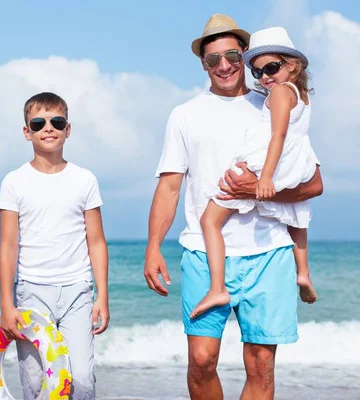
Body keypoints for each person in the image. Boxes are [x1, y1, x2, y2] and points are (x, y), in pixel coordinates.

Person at [143, 14, 323, 400]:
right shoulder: (185, 115)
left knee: (261, 365)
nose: (223, 65)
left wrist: (258, 190)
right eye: (212, 59)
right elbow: (170, 186)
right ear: (202, 64)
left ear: (244, 56)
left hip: (269, 251)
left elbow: (313, 184)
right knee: (202, 361)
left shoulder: (276, 101)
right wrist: (153, 246)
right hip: (203, 252)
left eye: (231, 56)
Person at [191, 26, 319, 319]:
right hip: (296, 164)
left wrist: (264, 177)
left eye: (271, 68)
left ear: (292, 64)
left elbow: (277, 135)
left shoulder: (277, 95)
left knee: (209, 220)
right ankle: (303, 272)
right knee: (296, 216)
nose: (264, 77)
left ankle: (217, 288)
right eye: (258, 72)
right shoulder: (302, 96)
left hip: (263, 162)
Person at [0, 92, 109, 399]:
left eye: (56, 122)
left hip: (77, 291)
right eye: (39, 122)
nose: (48, 128)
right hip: (32, 292)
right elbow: (8, 246)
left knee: (82, 380)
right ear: (27, 132)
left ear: (68, 129)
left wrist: (103, 296)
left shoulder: (84, 179)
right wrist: (7, 303)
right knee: (36, 383)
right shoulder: (14, 182)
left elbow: (96, 241)